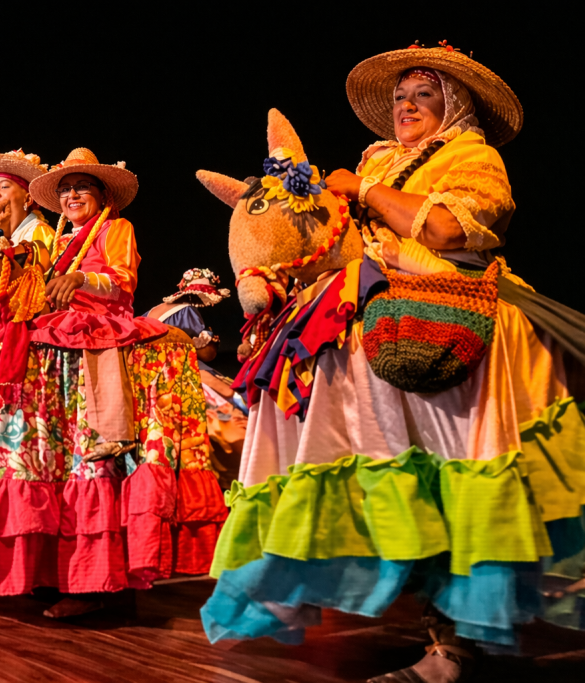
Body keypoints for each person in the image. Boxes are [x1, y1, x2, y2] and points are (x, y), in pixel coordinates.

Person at [201, 43, 585, 683]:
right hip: (376, 318)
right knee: (403, 483)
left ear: (454, 106)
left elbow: (447, 234)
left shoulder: (471, 156)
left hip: (456, 318)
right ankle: (436, 633)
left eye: (423, 95)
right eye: (401, 97)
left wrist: (369, 192)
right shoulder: (378, 157)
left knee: (457, 473)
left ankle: (453, 647)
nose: (406, 106)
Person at [0, 148, 224, 617]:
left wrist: (83, 279)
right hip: (57, 347)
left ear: (102, 194)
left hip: (98, 341)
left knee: (96, 456)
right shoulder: (63, 237)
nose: (71, 196)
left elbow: (123, 280)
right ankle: (51, 572)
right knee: (52, 462)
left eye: (80, 188)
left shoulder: (116, 228)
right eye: (65, 189)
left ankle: (99, 585)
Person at [143, 269, 247, 491]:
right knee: (231, 393)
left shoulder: (150, 311)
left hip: (149, 374)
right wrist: (211, 343)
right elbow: (204, 352)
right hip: (180, 366)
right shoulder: (187, 311)